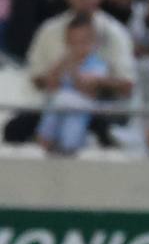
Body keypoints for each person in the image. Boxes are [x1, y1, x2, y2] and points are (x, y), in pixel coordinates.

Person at [26, 0, 135, 147]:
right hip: (54, 103)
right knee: (17, 127)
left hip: (100, 106)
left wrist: (98, 83)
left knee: (92, 122)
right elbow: (37, 78)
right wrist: (58, 75)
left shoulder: (115, 32)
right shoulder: (48, 30)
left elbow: (126, 84)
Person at [33, 12, 110, 155]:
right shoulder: (64, 61)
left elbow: (86, 87)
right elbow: (51, 84)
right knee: (48, 126)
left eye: (83, 42)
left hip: (80, 108)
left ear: (94, 43)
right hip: (58, 107)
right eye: (73, 42)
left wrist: (73, 68)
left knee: (70, 138)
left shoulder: (97, 64)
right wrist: (61, 63)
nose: (78, 47)